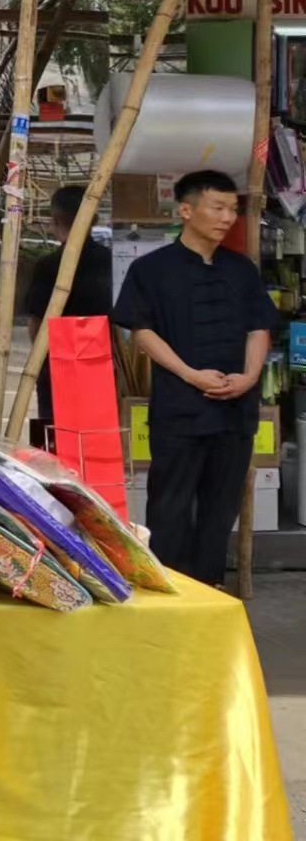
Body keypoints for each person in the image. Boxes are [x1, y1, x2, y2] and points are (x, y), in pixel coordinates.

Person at [112, 170, 277, 587]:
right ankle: (170, 587)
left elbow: (259, 327)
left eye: (232, 210)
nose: (227, 218)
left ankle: (210, 586)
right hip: (180, 409)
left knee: (220, 509)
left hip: (235, 411)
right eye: (217, 208)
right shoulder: (151, 270)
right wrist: (191, 375)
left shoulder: (241, 269)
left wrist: (249, 377)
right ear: (186, 211)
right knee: (169, 504)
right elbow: (142, 332)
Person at [23, 184, 115, 440]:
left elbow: (36, 321)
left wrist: (41, 360)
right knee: (98, 437)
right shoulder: (111, 260)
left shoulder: (48, 265)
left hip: (56, 360)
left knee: (54, 436)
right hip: (102, 358)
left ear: (55, 219)